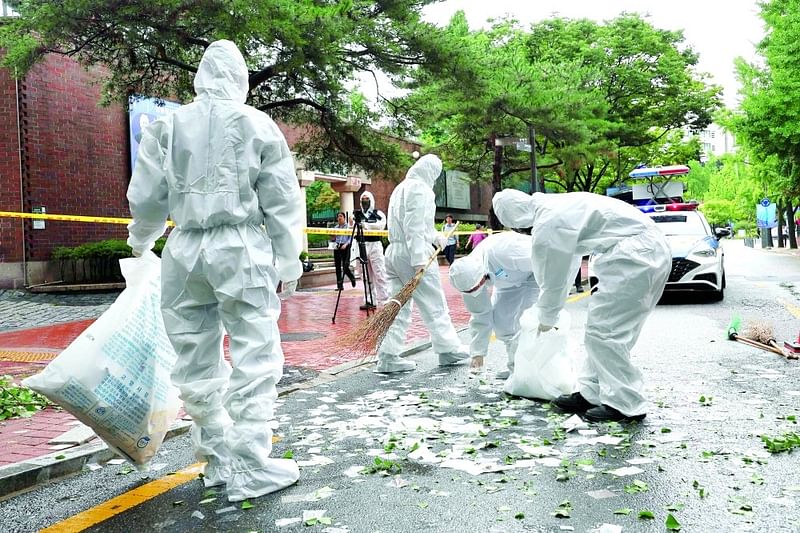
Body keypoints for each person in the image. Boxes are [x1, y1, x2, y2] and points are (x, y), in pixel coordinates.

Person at [126, 40, 304, 502]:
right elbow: (282, 199)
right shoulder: (256, 123)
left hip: (183, 249)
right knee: (255, 352)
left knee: (194, 356)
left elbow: (146, 195)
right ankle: (251, 463)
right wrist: (289, 256)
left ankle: (218, 459)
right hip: (240, 246)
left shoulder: (167, 125)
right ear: (240, 78)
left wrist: (141, 242)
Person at [492, 189, 670, 422]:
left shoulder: (549, 221)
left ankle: (626, 404)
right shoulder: (557, 204)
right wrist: (550, 310)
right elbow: (568, 264)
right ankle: (592, 393)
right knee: (602, 331)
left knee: (605, 333)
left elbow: (552, 275)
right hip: (644, 251)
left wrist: (546, 317)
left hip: (635, 256)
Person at [375, 154, 470, 373]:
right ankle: (448, 349)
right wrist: (419, 260)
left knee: (397, 306)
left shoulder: (401, 188)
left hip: (394, 252)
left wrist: (437, 237)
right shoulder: (421, 189)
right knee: (433, 303)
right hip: (412, 254)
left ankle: (387, 356)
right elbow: (414, 226)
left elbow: (419, 227)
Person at [448, 231, 540, 379]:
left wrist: (552, 298)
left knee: (526, 322)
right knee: (502, 324)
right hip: (508, 282)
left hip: (536, 275)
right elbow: (480, 314)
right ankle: (515, 368)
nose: (475, 292)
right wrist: (478, 354)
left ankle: (531, 372)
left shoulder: (508, 251)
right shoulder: (466, 276)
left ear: (482, 276)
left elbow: (546, 260)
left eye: (476, 288)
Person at [357, 191, 389, 308]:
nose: (365, 201)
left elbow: (381, 225)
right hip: (362, 244)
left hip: (375, 244)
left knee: (379, 272)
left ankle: (385, 299)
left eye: (367, 198)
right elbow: (352, 226)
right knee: (365, 275)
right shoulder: (357, 214)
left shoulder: (378, 213)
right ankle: (369, 300)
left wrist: (366, 225)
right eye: (363, 199)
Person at [331, 212, 356, 290]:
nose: (339, 218)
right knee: (337, 267)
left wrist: (345, 244)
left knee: (345, 265)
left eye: (341, 216)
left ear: (344, 218)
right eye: (338, 216)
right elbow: (333, 238)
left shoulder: (348, 227)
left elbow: (351, 238)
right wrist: (332, 236)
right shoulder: (336, 227)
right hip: (337, 247)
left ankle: (352, 277)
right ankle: (339, 286)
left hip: (345, 247)